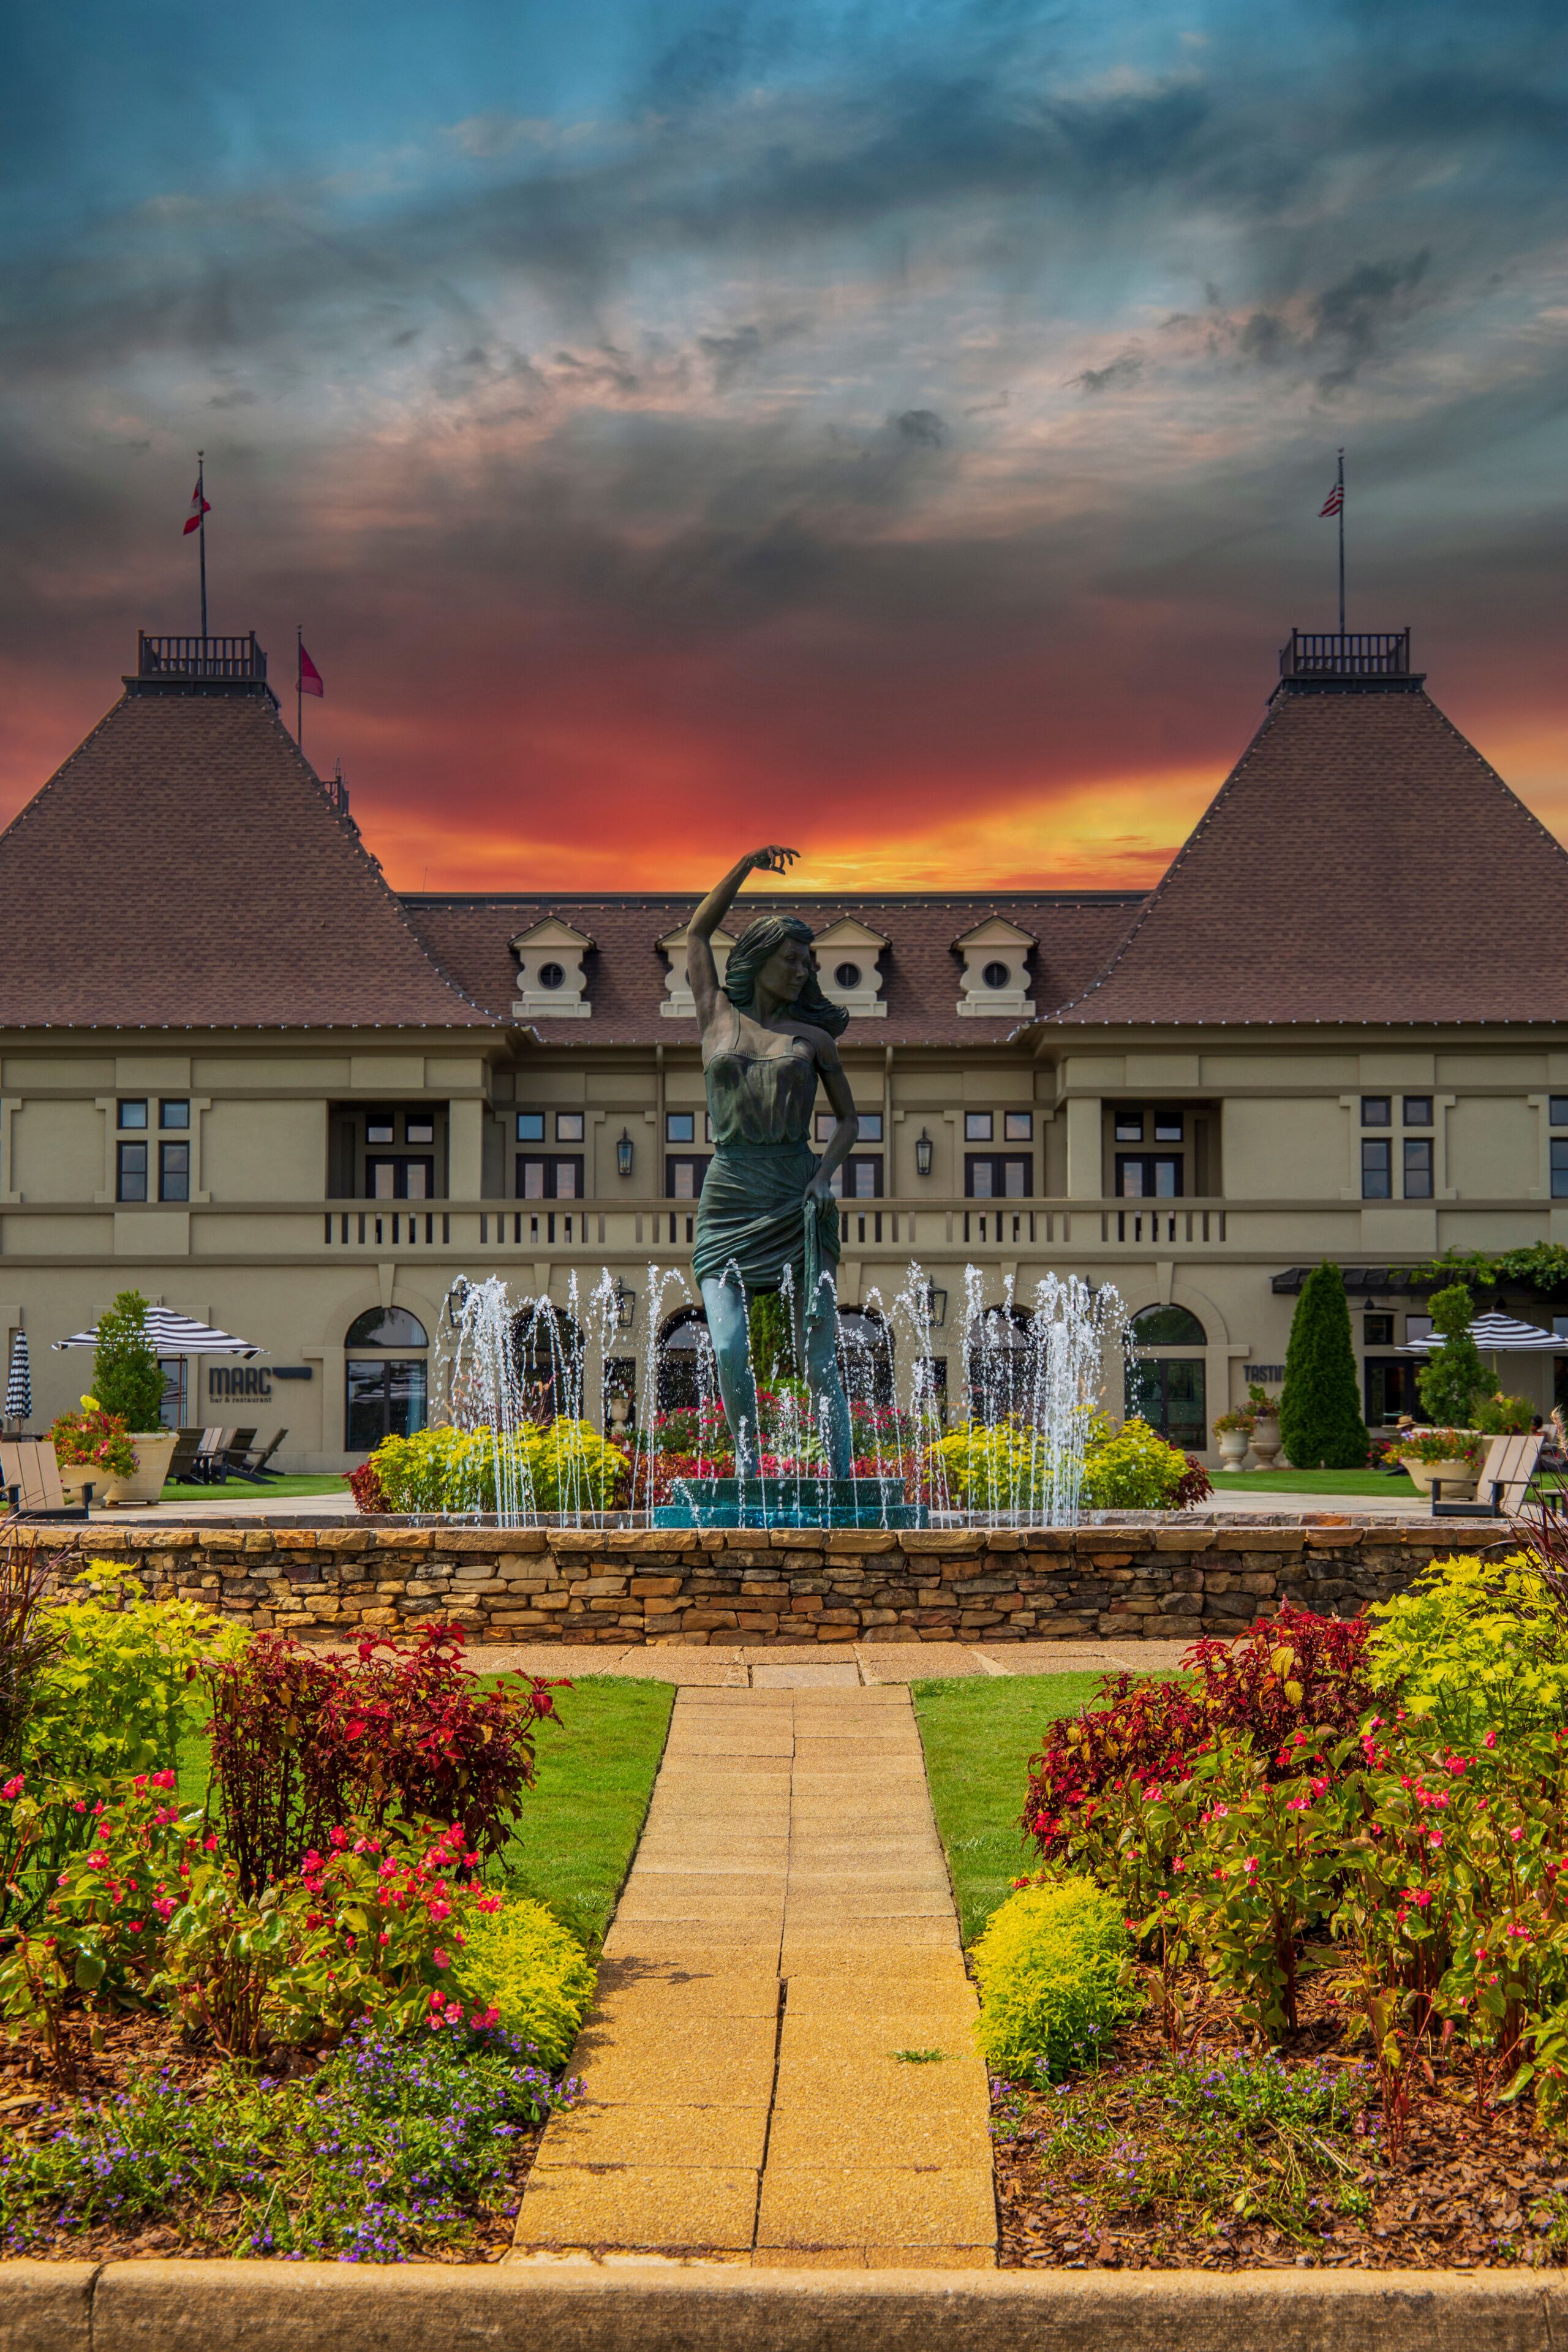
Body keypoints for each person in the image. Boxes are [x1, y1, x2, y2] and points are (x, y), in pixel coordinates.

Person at [686, 845, 859, 1478]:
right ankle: (749, 1464)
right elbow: (699, 930)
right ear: (758, 959)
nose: (801, 970)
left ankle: (839, 1479)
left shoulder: (811, 1039)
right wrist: (744, 864)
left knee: (818, 1358)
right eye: (791, 959)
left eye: (806, 963)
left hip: (794, 1192)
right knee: (729, 1345)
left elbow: (848, 1121)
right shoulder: (715, 1018)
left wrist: (821, 1179)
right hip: (730, 1191)